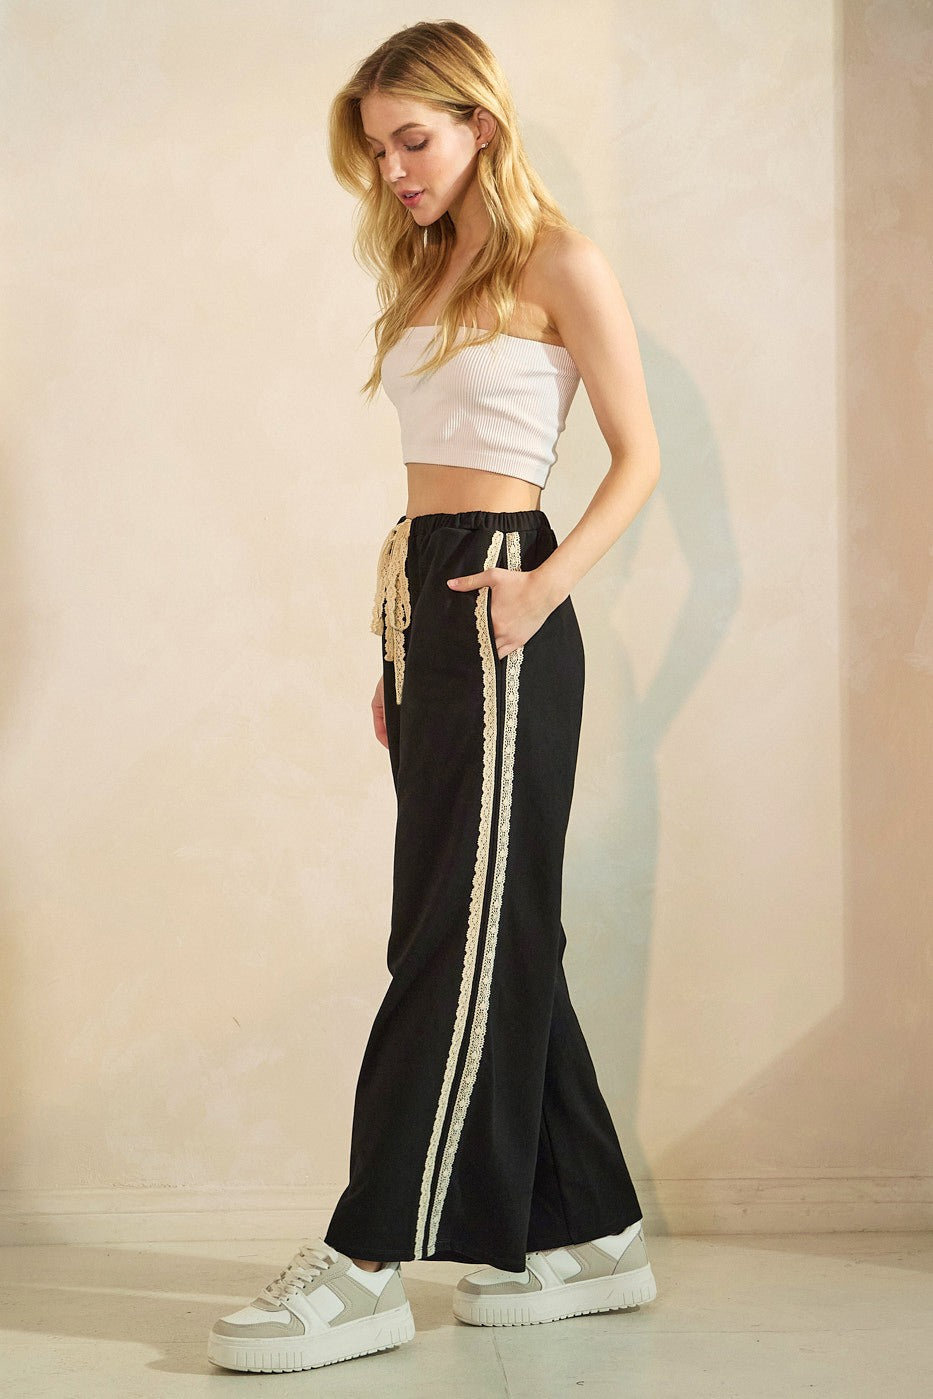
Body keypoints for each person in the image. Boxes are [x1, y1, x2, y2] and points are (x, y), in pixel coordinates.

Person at [208, 19, 661, 1375]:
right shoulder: (427, 263)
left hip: (504, 597)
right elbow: (430, 483)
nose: (393, 170)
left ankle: (365, 1263)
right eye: (377, 149)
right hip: (425, 604)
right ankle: (591, 1233)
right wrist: (395, 650)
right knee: (485, 924)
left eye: (413, 140)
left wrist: (539, 589)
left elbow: (636, 457)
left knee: (452, 938)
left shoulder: (558, 260)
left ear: (480, 124)